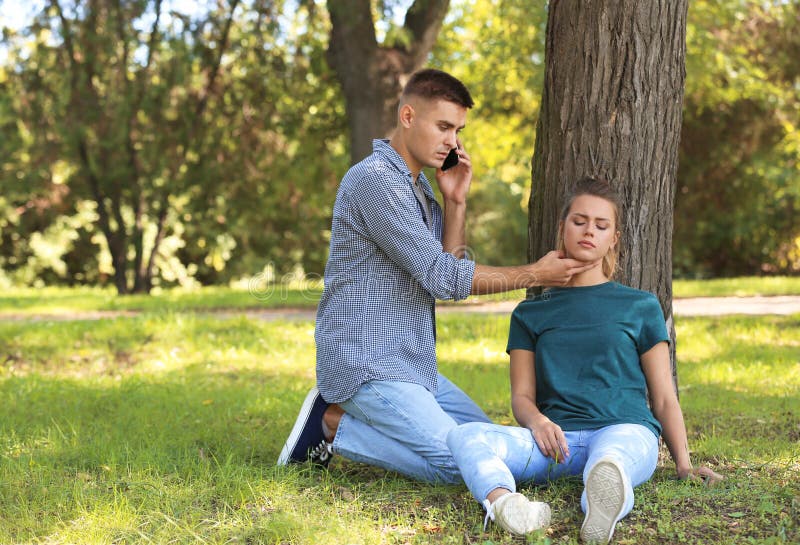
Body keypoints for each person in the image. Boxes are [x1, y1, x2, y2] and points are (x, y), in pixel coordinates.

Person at [276, 68, 598, 484]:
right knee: (464, 465)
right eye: (443, 126)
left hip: (413, 364)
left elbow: (446, 273)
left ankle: (344, 421)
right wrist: (536, 273)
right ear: (408, 116)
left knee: (491, 443)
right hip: (366, 363)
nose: (453, 142)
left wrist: (456, 201)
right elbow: (445, 277)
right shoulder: (373, 181)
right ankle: (333, 424)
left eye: (458, 130)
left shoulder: (420, 188)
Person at [445, 177, 724, 543]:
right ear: (562, 229)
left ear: (614, 238)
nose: (589, 231)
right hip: (554, 445)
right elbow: (522, 398)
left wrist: (683, 464)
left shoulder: (640, 306)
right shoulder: (530, 313)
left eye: (601, 225)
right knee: (465, 435)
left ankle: (600, 507)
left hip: (624, 430)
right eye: (579, 221)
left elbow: (663, 398)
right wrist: (538, 422)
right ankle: (507, 505)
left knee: (610, 460)